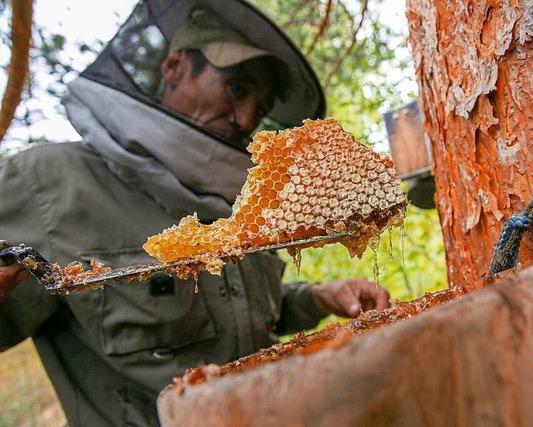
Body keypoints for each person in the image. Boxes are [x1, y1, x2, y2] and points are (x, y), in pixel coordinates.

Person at [0, 1, 390, 426]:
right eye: (237, 89)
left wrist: (317, 297)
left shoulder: (235, 201)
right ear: (174, 67)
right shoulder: (45, 183)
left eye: (259, 110)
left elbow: (251, 315)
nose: (245, 120)